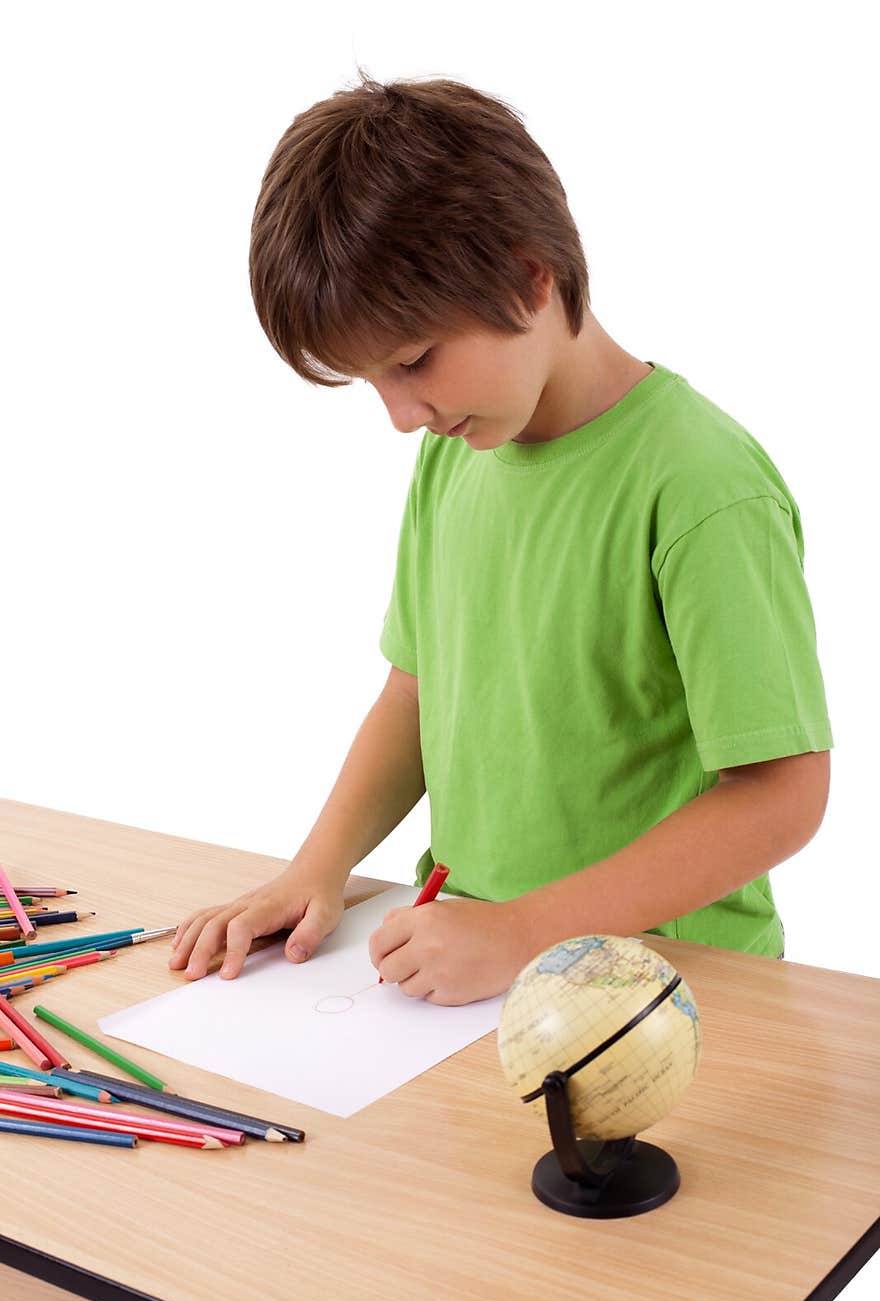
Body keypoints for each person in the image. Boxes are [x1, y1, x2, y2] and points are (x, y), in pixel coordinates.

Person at [170, 71, 833, 1005]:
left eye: (412, 363)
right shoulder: (457, 455)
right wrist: (314, 869)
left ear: (530, 276)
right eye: (373, 384)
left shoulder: (702, 485)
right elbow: (416, 689)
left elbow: (782, 796)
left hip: (668, 991)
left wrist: (525, 930)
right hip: (472, 967)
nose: (402, 416)